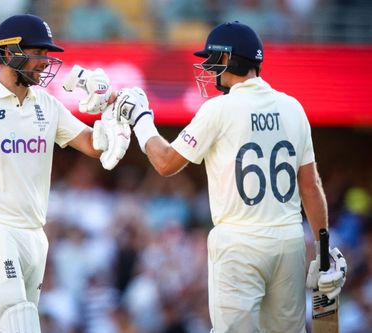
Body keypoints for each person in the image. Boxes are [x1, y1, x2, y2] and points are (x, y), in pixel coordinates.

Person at [110, 21, 348, 332]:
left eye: (211, 60)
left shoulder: (218, 109)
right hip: (289, 241)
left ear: (227, 59)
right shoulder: (294, 108)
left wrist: (140, 119)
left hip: (239, 242)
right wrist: (322, 250)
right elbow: (311, 186)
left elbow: (166, 163)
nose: (208, 69)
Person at [0, 14, 129, 333]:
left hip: (34, 235)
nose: (45, 62)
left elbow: (94, 146)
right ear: (8, 53)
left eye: (47, 54)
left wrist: (111, 112)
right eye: (38, 53)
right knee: (19, 321)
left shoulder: (48, 104)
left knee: (11, 324)